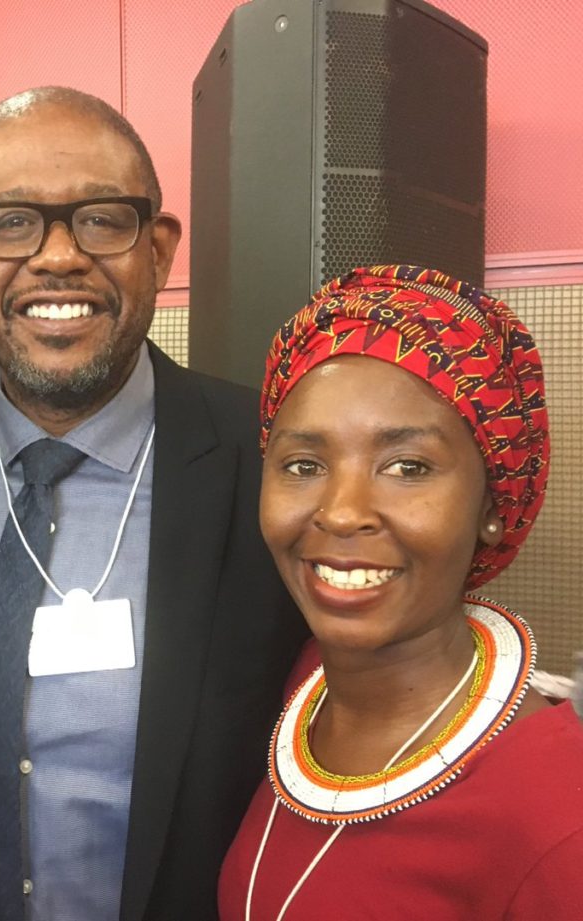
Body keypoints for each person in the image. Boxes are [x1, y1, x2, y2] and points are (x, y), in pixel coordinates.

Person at [0, 86, 307, 921]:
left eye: (101, 219)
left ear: (157, 248)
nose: (57, 257)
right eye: (11, 222)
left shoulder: (270, 460)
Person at [219, 265, 583, 919]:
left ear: (491, 504)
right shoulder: (304, 689)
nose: (341, 510)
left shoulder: (558, 813)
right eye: (304, 465)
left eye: (406, 467)